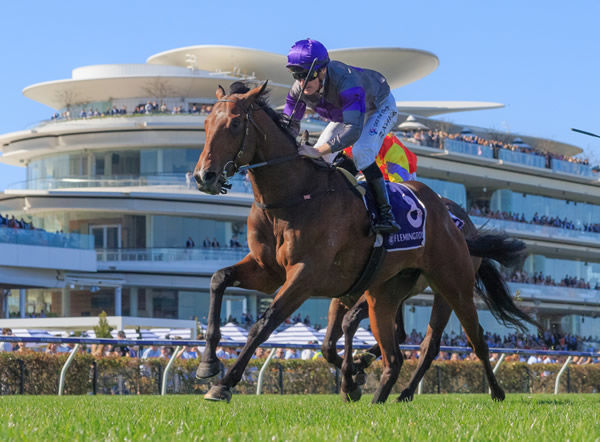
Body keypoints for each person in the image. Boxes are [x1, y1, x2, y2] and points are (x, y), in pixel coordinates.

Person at [283, 38, 400, 233]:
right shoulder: (298, 89)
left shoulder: (347, 82)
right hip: (346, 111)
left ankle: (386, 215)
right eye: (296, 75)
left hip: (379, 106)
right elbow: (288, 125)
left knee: (362, 151)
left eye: (307, 75)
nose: (302, 82)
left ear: (322, 70)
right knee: (321, 159)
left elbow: (353, 130)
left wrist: (317, 150)